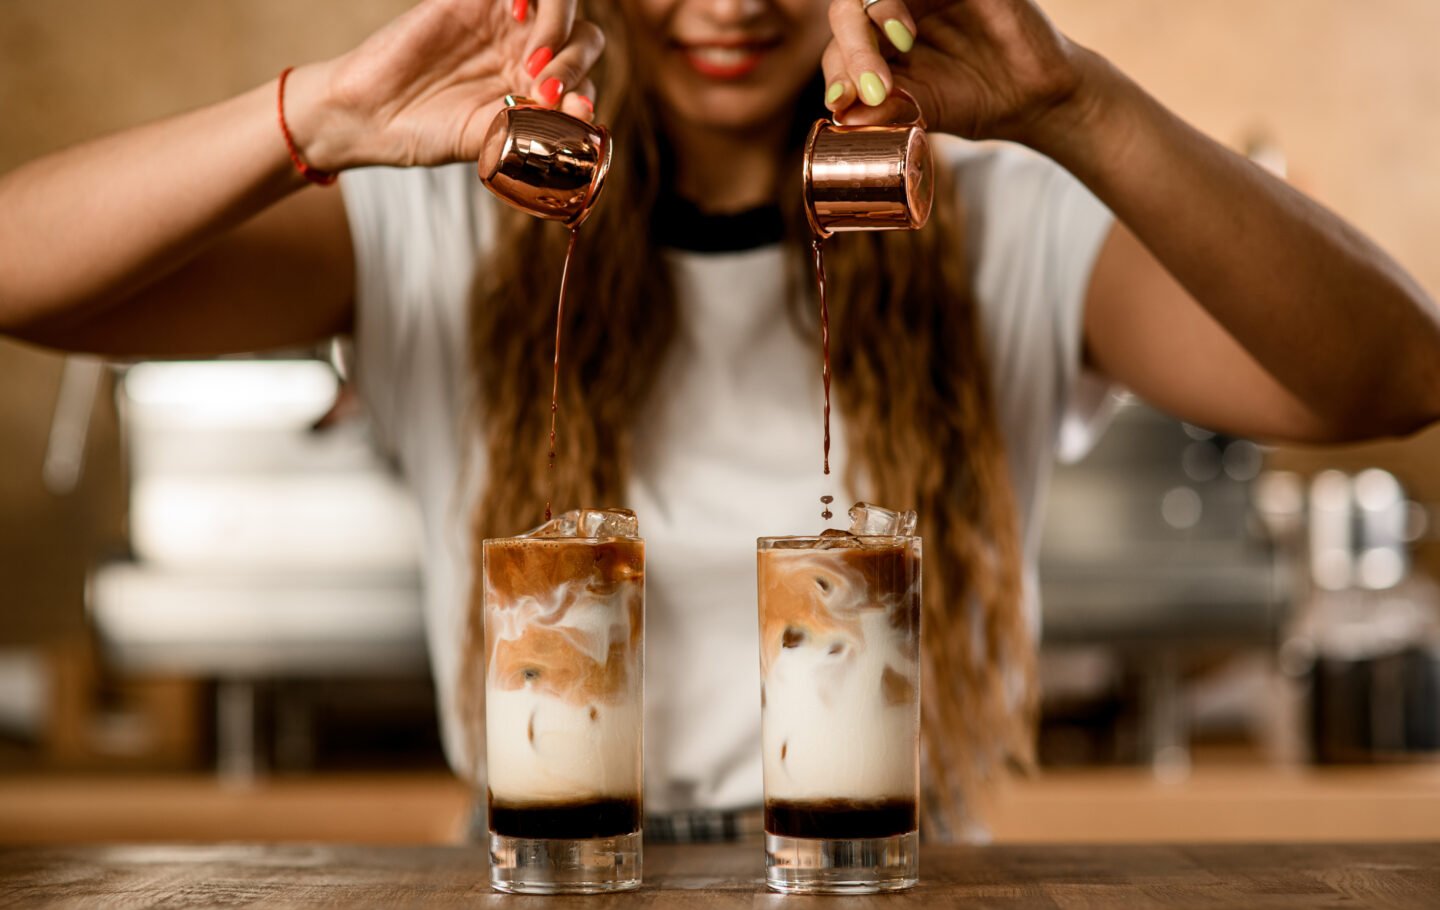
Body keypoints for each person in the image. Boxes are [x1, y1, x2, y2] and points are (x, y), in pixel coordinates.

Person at [2, 0, 1437, 840]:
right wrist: (321, 116)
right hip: (549, 888)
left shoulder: (1006, 220)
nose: (733, 3)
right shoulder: (450, 224)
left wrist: (1076, 106)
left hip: (896, 894)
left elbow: (1396, 375)